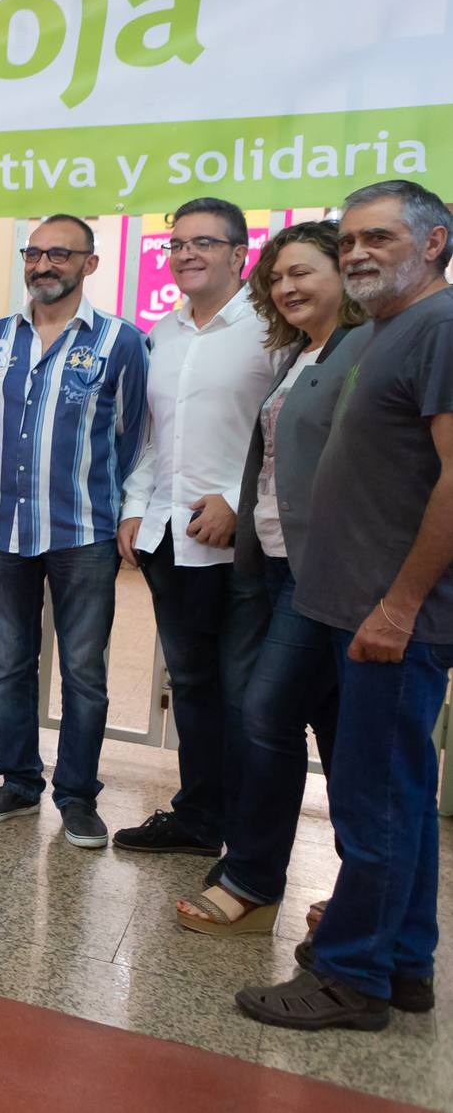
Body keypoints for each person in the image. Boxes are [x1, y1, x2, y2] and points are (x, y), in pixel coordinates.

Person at [239, 180, 453, 1031]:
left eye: (381, 238)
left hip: (389, 617)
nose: (359, 252)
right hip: (351, 604)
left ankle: (350, 978)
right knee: (392, 791)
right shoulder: (389, 332)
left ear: (434, 244)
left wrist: (400, 606)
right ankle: (402, 960)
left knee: (375, 802)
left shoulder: (439, 327)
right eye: (353, 238)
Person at [176, 221, 369, 934]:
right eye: (278, 277)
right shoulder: (299, 352)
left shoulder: (364, 351)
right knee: (326, 725)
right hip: (277, 565)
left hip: (326, 573)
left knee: (266, 713)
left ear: (343, 274)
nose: (287, 287)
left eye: (304, 272)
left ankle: (255, 879)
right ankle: (351, 888)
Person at [0, 215, 148, 849]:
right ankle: (17, 782)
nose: (44, 265)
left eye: (59, 255)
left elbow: (134, 438)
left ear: (89, 264)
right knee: (10, 666)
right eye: (34, 253)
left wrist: (123, 509)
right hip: (3, 529)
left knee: (84, 671)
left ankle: (76, 796)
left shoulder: (121, 342)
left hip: (84, 533)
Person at [113, 198, 279, 859]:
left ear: (241, 254)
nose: (185, 254)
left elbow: (285, 435)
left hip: (243, 547)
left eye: (203, 243)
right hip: (169, 542)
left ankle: (251, 842)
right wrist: (135, 507)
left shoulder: (272, 330)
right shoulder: (164, 332)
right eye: (176, 244)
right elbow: (156, 440)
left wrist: (242, 505)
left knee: (247, 697)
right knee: (193, 688)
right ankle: (199, 816)